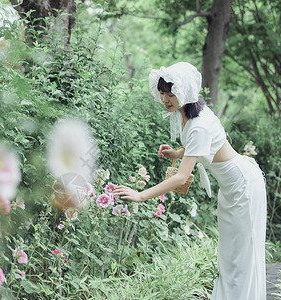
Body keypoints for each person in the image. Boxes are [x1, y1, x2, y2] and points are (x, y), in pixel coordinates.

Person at [114, 62, 267, 300]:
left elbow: (182, 177)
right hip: (231, 185)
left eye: (171, 92)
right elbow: (202, 147)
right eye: (162, 92)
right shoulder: (189, 113)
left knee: (240, 257)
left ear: (185, 90)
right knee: (229, 256)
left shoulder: (198, 125)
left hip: (243, 186)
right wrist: (178, 153)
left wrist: (141, 195)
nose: (165, 98)